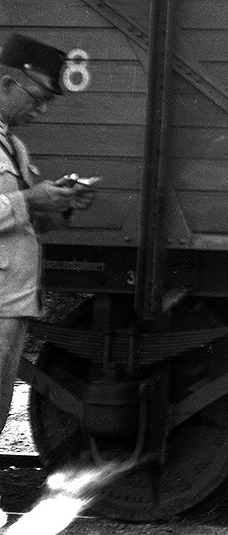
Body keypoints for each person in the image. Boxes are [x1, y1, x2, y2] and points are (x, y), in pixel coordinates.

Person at [0, 34, 97, 439]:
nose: (41, 110)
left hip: (11, 302)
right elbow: (18, 206)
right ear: (7, 84)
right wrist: (29, 199)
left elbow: (20, 222)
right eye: (37, 98)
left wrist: (59, 206)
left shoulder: (13, 146)